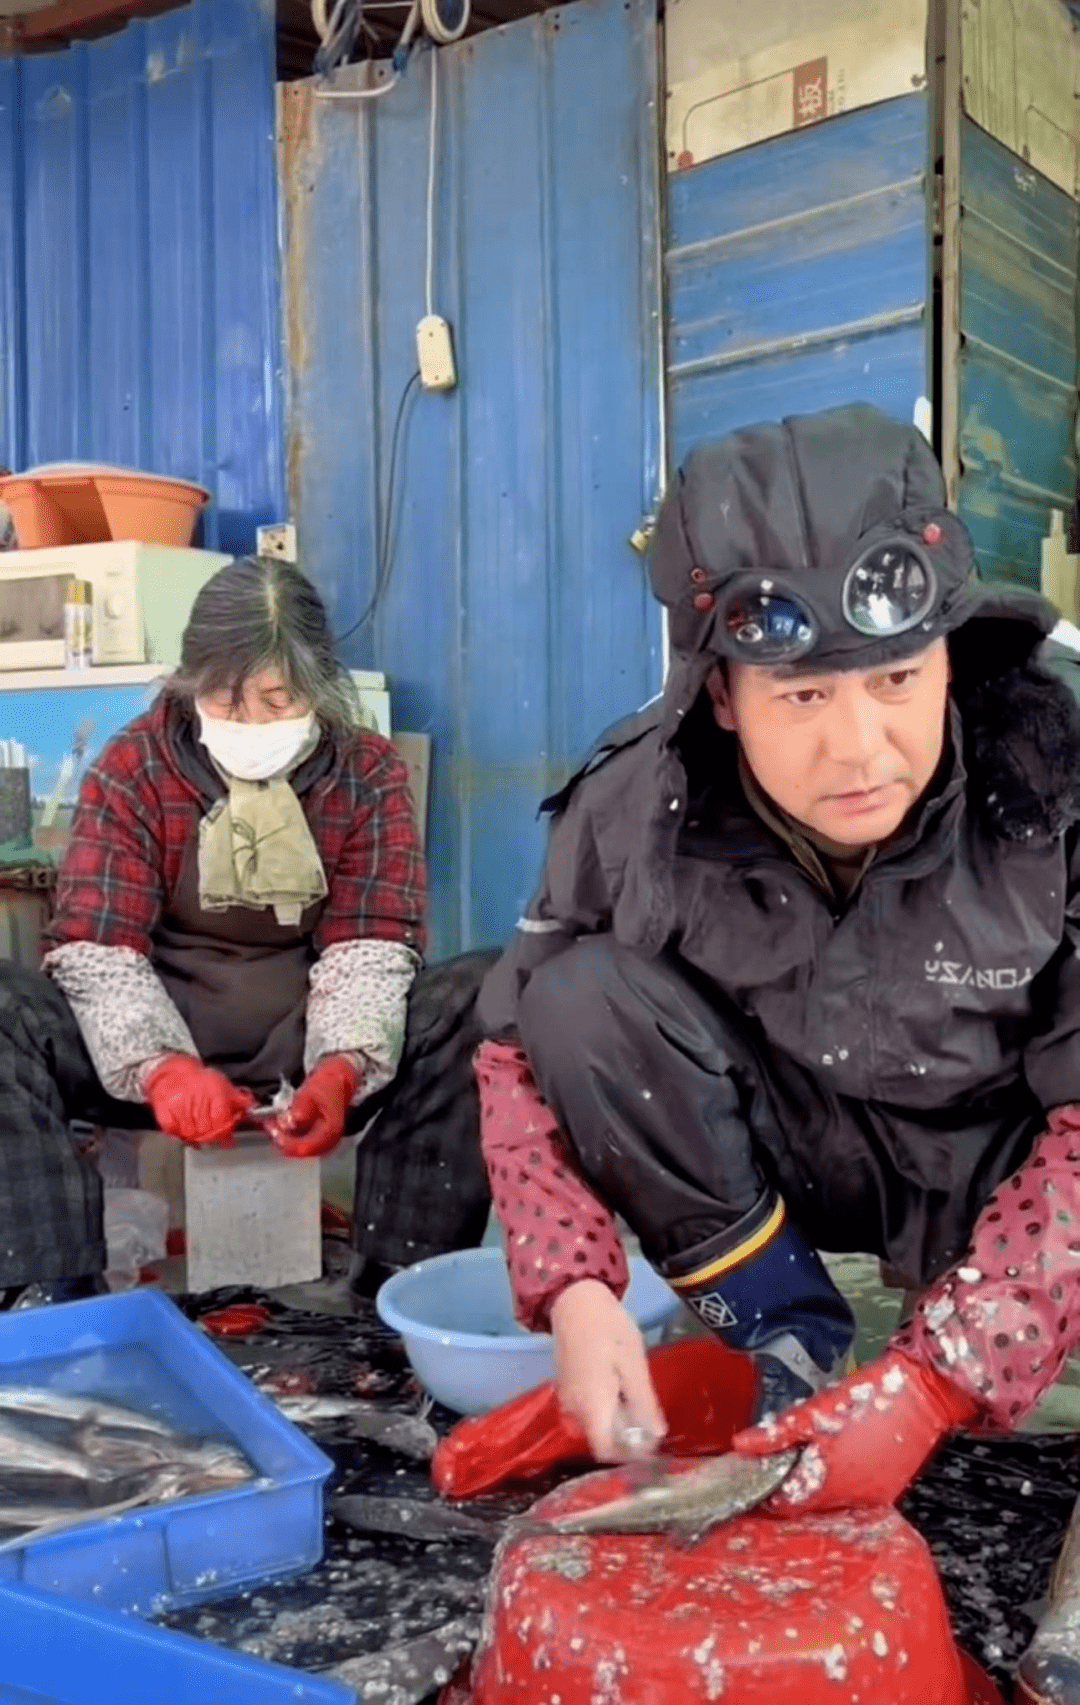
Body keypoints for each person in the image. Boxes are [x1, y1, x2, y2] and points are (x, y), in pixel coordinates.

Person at [473, 403, 1080, 1522]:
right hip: (789, 1142)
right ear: (722, 695)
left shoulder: (1055, 784)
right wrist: (573, 1287)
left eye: (896, 681)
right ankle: (786, 1332)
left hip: (995, 1167)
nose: (859, 748)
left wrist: (945, 1373)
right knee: (575, 1000)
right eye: (802, 696)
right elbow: (513, 1051)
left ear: (948, 656)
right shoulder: (632, 807)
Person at [0, 556, 493, 1308]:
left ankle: (400, 1285)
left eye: (277, 699)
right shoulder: (135, 767)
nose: (253, 724)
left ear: (318, 689)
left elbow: (369, 946)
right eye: (227, 701)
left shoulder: (365, 773)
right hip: (145, 1049)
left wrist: (341, 1070)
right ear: (189, 685)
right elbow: (99, 950)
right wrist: (163, 1069)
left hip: (309, 1046)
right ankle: (53, 1292)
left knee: (486, 993)